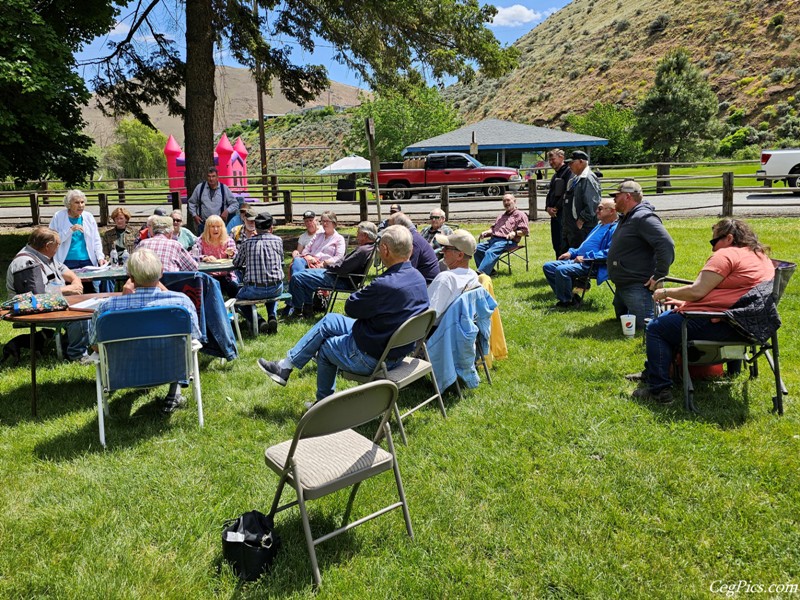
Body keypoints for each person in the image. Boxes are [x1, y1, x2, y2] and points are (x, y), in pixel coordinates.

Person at [257, 225, 429, 402]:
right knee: (330, 319)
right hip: (393, 345)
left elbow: (351, 307)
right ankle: (285, 366)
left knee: (325, 348)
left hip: (373, 355)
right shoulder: (418, 278)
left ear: (385, 249)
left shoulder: (386, 284)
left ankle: (322, 404)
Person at [632, 219, 776, 404]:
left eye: (714, 242)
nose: (713, 249)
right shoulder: (760, 256)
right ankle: (653, 371)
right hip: (752, 324)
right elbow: (730, 291)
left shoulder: (727, 255)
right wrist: (685, 302)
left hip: (721, 322)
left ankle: (659, 390)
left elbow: (697, 291)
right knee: (668, 318)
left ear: (729, 238)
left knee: (656, 328)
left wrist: (664, 292)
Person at [89, 248, 201, 413]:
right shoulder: (182, 303)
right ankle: (174, 393)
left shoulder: (107, 308)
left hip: (123, 374)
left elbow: (96, 346)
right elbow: (194, 337)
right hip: (170, 370)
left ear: (131, 277)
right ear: (161, 273)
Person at [6, 227, 91, 362]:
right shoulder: (25, 263)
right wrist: (67, 289)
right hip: (31, 309)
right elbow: (36, 295)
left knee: (90, 307)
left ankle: (68, 344)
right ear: (48, 246)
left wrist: (75, 279)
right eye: (57, 244)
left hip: (51, 303)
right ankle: (77, 355)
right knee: (79, 316)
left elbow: (62, 268)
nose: (59, 247)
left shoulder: (44, 256)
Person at [607, 180, 675, 323]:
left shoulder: (643, 218)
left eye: (617, 196)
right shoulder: (628, 217)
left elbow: (666, 244)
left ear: (627, 196)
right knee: (620, 322)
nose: (614, 199)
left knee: (645, 326)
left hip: (637, 286)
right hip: (624, 286)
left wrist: (659, 276)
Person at [287, 221, 377, 317]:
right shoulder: (368, 248)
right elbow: (345, 264)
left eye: (358, 233)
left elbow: (342, 268)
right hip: (340, 276)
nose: (357, 236)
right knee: (304, 273)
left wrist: (326, 265)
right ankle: (307, 309)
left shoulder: (362, 250)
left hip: (340, 279)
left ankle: (297, 310)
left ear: (365, 235)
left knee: (297, 276)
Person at [542, 198, 618, 308]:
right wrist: (571, 253)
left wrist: (586, 257)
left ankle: (566, 302)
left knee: (561, 270)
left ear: (612, 211)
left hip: (593, 264)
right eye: (597, 208)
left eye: (600, 209)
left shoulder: (614, 229)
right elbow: (584, 247)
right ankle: (571, 297)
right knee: (548, 267)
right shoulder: (599, 225)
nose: (596, 211)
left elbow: (610, 252)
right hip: (580, 261)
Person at [233, 212, 284, 334]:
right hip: (276, 287)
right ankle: (272, 315)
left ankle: (259, 320)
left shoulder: (247, 243)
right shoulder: (278, 240)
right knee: (270, 285)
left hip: (254, 289)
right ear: (271, 227)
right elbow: (281, 259)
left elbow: (237, 263)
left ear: (256, 227)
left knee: (237, 300)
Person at [48, 189, 106, 292]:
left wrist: (100, 257)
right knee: (70, 292)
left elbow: (96, 239)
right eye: (77, 202)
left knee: (90, 292)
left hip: (87, 261)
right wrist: (70, 230)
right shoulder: (59, 216)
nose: (81, 205)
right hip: (66, 262)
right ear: (69, 204)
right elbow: (53, 239)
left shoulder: (88, 217)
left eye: (82, 202)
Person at [426, 229, 479, 321]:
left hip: (435, 332)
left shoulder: (446, 278)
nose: (442, 250)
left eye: (447, 248)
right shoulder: (473, 275)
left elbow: (429, 317)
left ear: (460, 255)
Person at [473, 193, 529, 276]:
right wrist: (487, 232)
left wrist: (515, 233)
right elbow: (494, 229)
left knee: (490, 252)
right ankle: (491, 271)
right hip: (493, 240)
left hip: (507, 241)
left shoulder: (520, 215)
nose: (506, 202)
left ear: (514, 201)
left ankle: (481, 273)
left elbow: (525, 231)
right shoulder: (501, 216)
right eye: (504, 201)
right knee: (476, 248)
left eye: (508, 200)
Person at [561, 150, 601, 250]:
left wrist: (582, 219)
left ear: (581, 161)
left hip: (584, 227)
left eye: (571, 163)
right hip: (573, 227)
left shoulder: (588, 178)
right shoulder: (576, 178)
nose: (569, 166)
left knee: (581, 254)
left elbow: (593, 203)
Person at [192, 214, 238, 297]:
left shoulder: (228, 240)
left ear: (222, 228)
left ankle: (235, 308)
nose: (215, 229)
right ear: (207, 228)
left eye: (218, 226)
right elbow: (192, 256)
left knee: (233, 286)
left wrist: (232, 253)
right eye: (212, 226)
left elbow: (237, 257)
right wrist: (204, 257)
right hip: (207, 276)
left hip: (226, 276)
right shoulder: (201, 240)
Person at [388, 212, 440, 283]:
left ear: (400, 227)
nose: (389, 230)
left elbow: (407, 271)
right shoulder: (411, 237)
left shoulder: (413, 242)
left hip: (426, 285)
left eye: (391, 227)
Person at [290, 210, 345, 277]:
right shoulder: (318, 235)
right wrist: (308, 256)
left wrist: (325, 262)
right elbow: (306, 249)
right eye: (323, 221)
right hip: (310, 262)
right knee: (297, 261)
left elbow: (339, 257)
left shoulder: (339, 239)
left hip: (323, 267)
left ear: (333, 223)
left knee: (299, 274)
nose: (324, 224)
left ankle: (297, 279)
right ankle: (298, 278)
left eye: (327, 221)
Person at [187, 167, 238, 235]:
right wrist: (194, 215)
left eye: (213, 176)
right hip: (204, 224)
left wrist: (227, 211)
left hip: (219, 225)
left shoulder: (224, 189)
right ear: (206, 177)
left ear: (217, 177)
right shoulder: (200, 188)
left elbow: (235, 204)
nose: (211, 179)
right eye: (209, 176)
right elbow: (191, 203)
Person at [544, 148, 575, 258]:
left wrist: (556, 207)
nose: (551, 162)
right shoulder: (555, 176)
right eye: (550, 160)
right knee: (556, 242)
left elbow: (567, 193)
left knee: (563, 243)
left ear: (561, 158)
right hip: (554, 215)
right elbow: (550, 193)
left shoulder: (568, 172)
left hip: (563, 214)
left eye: (553, 159)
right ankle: (557, 266)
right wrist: (547, 207)